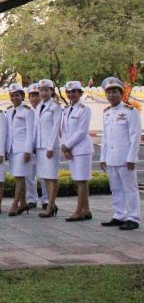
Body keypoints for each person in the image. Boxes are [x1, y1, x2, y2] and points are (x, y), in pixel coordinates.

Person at [99, 77, 141, 231]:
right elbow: (105, 137)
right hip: (111, 157)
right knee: (116, 188)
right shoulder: (107, 112)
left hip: (125, 157)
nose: (111, 95)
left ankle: (133, 217)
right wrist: (103, 157)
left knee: (130, 188)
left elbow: (135, 136)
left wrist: (131, 157)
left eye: (115, 92)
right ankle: (119, 214)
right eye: (109, 92)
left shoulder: (130, 111)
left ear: (121, 93)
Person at [61, 81, 94, 222]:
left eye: (74, 92)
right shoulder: (67, 109)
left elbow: (81, 131)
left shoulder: (84, 109)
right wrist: (66, 147)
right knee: (79, 180)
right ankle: (86, 210)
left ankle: (79, 211)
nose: (71, 94)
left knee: (81, 181)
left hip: (82, 150)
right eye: (68, 92)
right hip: (71, 150)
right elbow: (63, 130)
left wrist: (67, 146)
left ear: (80, 93)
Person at [4, 83, 35, 216]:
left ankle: (15, 204)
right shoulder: (9, 111)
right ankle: (23, 204)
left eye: (17, 95)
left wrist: (28, 150)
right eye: (12, 95)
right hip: (12, 149)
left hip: (23, 149)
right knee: (17, 176)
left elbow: (30, 132)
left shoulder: (28, 111)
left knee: (20, 177)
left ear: (22, 96)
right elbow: (8, 132)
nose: (15, 98)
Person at [35, 79, 62, 218]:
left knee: (51, 177)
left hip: (50, 147)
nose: (43, 92)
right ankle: (50, 204)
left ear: (51, 91)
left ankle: (51, 206)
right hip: (40, 147)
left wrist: (50, 146)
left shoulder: (55, 107)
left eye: (46, 90)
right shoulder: (39, 106)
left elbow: (56, 127)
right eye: (41, 90)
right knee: (45, 177)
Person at [26, 83, 45, 209]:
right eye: (32, 95)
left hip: (43, 147)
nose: (34, 98)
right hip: (30, 147)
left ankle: (46, 200)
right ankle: (31, 199)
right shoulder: (27, 111)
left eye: (36, 95)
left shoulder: (46, 109)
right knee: (29, 175)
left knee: (44, 175)